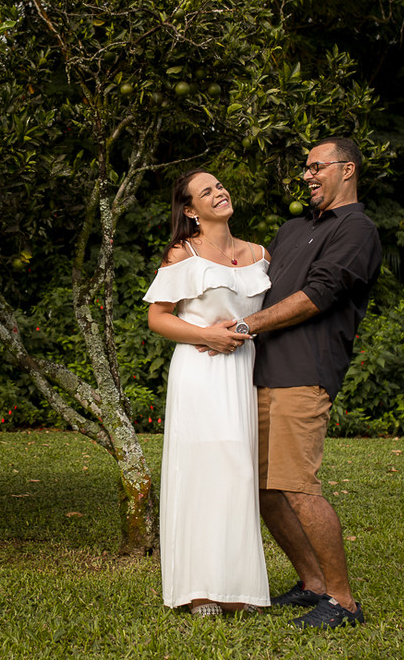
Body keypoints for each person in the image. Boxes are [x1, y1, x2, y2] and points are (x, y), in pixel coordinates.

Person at [240, 136, 382, 629]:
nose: (307, 175)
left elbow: (319, 294)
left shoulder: (357, 230)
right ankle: (312, 584)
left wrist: (244, 328)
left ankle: (343, 602)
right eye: (305, 168)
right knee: (263, 489)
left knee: (298, 487)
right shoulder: (293, 227)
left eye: (316, 166)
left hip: (306, 373)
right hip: (259, 374)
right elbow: (253, 282)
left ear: (347, 170)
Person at [143, 169, 269, 617]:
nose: (219, 193)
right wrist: (207, 335)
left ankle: (239, 587)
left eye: (219, 186)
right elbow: (158, 317)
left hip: (244, 373)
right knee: (203, 471)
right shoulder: (184, 253)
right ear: (191, 211)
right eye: (206, 191)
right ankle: (199, 591)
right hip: (200, 371)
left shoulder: (258, 254)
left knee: (237, 472)